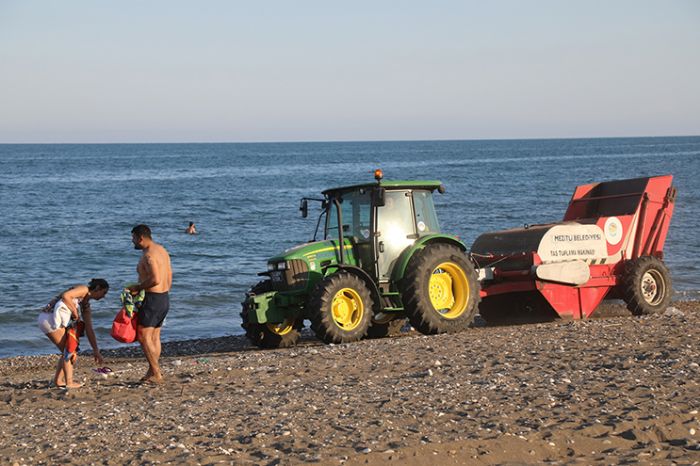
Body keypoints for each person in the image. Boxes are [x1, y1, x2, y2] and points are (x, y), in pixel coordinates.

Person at [37, 279, 109, 388]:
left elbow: (89, 329)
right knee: (70, 351)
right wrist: (75, 313)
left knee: (68, 350)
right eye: (104, 292)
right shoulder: (83, 289)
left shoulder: (85, 306)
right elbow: (66, 296)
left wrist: (96, 350)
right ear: (97, 288)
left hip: (51, 319)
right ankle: (69, 383)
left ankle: (58, 381)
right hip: (49, 318)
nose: (104, 296)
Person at [128, 224, 172, 384]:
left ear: (140, 238)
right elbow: (169, 275)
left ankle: (156, 372)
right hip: (163, 298)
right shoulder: (162, 250)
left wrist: (137, 288)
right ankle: (151, 371)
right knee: (154, 337)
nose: (132, 242)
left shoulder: (149, 256)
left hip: (153, 299)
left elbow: (155, 279)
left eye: (133, 238)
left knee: (143, 336)